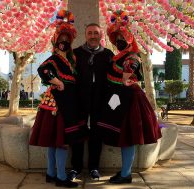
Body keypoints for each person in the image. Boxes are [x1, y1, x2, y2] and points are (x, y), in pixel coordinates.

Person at [96, 10, 162, 184]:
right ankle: (124, 172)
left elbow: (127, 75)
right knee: (124, 137)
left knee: (128, 136)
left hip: (129, 100)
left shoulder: (131, 56)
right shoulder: (120, 56)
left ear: (130, 38)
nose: (119, 41)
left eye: (122, 38)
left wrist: (125, 77)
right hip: (119, 98)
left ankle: (126, 173)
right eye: (117, 38)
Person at [29, 10, 88, 188]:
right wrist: (58, 82)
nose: (64, 42)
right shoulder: (54, 58)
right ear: (55, 41)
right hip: (57, 104)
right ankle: (61, 177)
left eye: (66, 40)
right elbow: (43, 70)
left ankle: (51, 173)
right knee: (60, 141)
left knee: (56, 142)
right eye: (61, 39)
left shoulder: (70, 60)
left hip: (66, 103)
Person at [68, 23, 114, 180]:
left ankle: (94, 167)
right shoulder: (75, 54)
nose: (93, 36)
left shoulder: (108, 54)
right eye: (90, 33)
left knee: (96, 135)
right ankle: (76, 168)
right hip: (79, 102)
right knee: (77, 135)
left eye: (96, 33)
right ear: (85, 35)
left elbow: (113, 79)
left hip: (100, 102)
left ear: (101, 35)